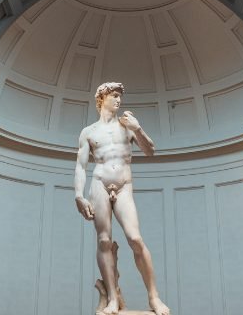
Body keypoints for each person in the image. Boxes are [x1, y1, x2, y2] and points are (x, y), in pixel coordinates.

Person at [74, 82, 170, 315]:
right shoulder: (89, 132)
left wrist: (138, 129)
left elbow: (150, 150)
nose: (119, 100)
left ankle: (154, 297)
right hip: (99, 183)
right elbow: (80, 165)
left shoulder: (127, 125)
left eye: (120, 96)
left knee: (135, 239)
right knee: (104, 241)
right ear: (102, 98)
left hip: (124, 186)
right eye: (114, 96)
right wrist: (78, 195)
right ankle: (113, 298)